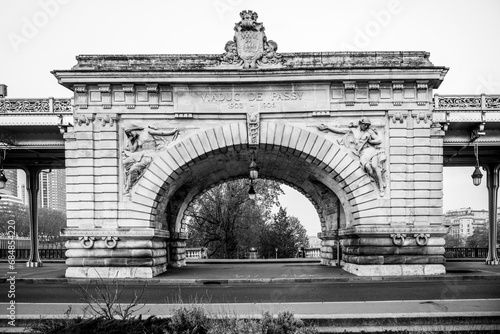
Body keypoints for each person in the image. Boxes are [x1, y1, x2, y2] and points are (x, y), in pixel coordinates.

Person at [317, 118, 387, 195]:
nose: (366, 126)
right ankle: (378, 180)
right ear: (360, 123)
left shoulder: (369, 131)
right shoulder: (352, 130)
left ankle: (381, 186)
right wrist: (327, 127)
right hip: (362, 153)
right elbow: (340, 130)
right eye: (364, 124)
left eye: (367, 125)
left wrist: (370, 141)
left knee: (374, 166)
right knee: (368, 168)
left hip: (370, 150)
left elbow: (379, 140)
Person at [122, 125, 178, 194]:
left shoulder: (146, 131)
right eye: (129, 134)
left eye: (130, 132)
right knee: (125, 162)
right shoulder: (137, 139)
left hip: (151, 155)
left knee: (133, 169)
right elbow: (132, 150)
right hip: (142, 155)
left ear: (134, 129)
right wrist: (130, 140)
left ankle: (128, 188)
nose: (130, 134)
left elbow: (161, 133)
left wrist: (172, 132)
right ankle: (128, 186)